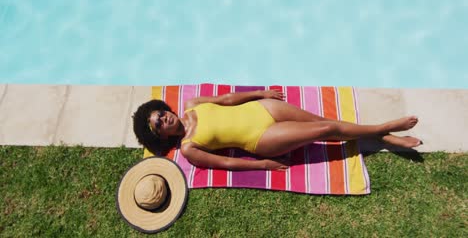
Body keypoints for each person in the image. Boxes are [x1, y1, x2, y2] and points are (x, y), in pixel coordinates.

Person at [133, 90, 422, 171]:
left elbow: (226, 100)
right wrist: (264, 165)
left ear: (164, 109)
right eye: (158, 126)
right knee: (325, 129)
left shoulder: (192, 103)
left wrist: (260, 94)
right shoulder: (188, 148)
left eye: (159, 115)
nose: (163, 121)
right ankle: (385, 128)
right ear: (162, 136)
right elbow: (227, 162)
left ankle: (381, 136)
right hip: (260, 139)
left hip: (262, 110)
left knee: (319, 121)